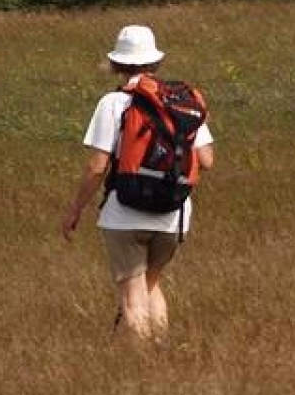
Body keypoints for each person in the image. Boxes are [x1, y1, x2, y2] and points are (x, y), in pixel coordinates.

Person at [59, 24, 215, 341]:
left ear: (118, 63)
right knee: (150, 285)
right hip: (173, 214)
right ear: (155, 61)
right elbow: (208, 160)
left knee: (132, 296)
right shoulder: (182, 101)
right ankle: (161, 351)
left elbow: (97, 166)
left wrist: (75, 209)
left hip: (124, 212)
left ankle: (143, 365)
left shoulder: (113, 103)